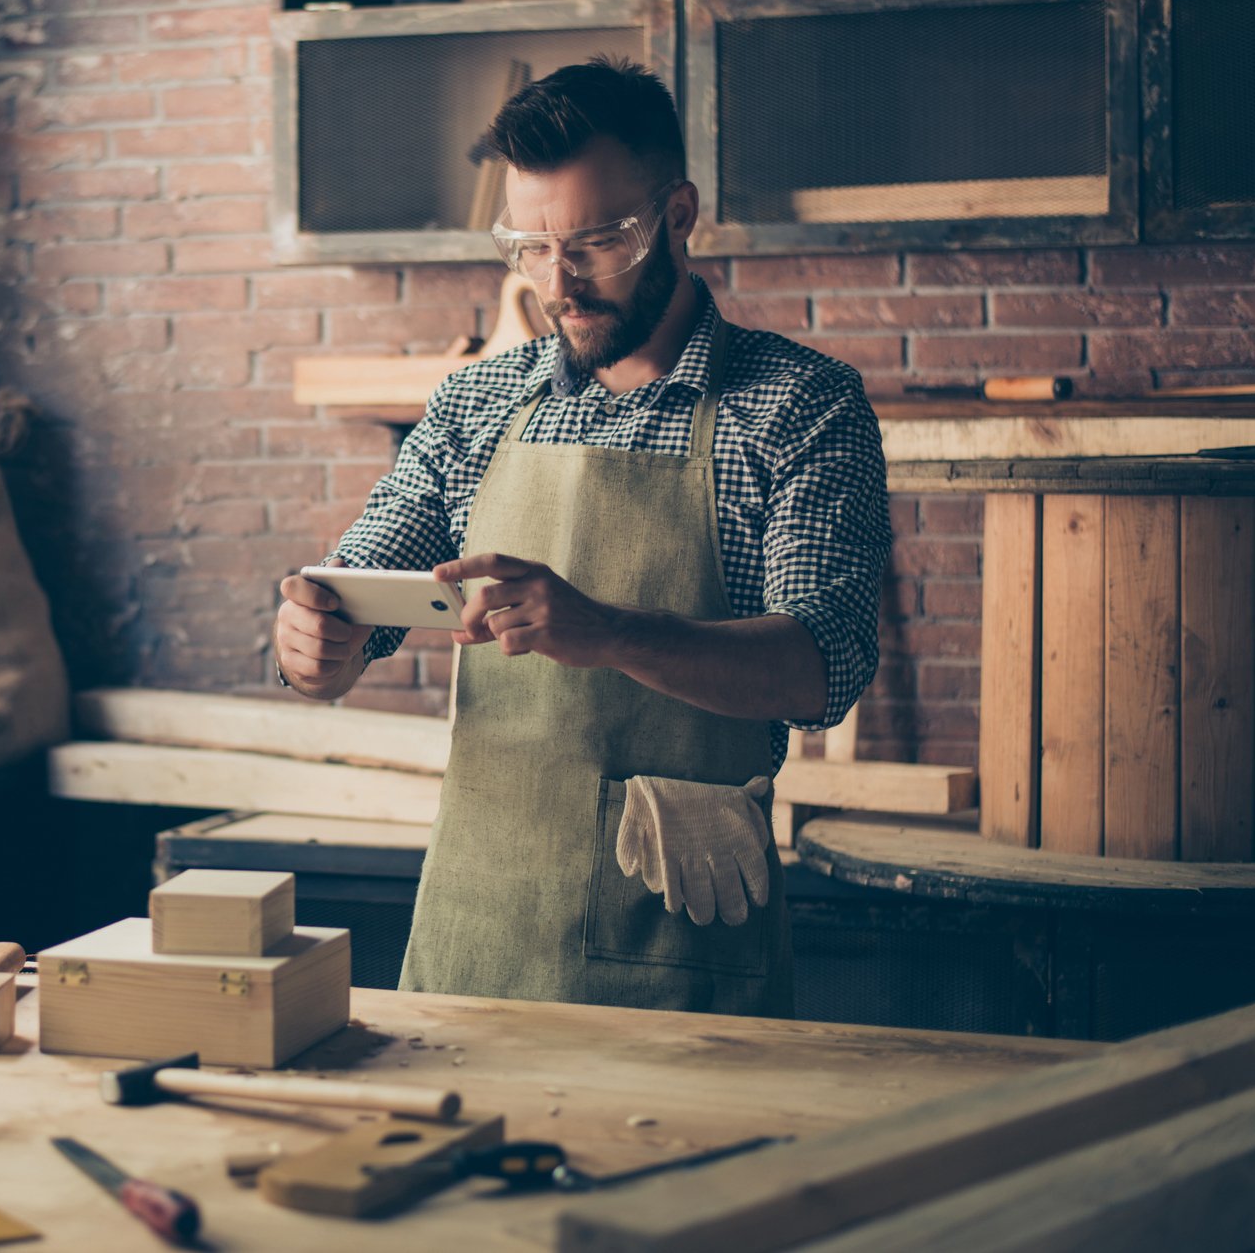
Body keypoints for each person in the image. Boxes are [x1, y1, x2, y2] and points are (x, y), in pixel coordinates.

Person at [272, 58, 889, 1017]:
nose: (558, 281)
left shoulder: (798, 405)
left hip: (676, 939)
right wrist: (316, 643)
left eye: (598, 241)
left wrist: (608, 634)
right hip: (477, 934)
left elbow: (824, 667)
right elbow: (360, 591)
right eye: (528, 245)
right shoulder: (477, 402)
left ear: (677, 215)